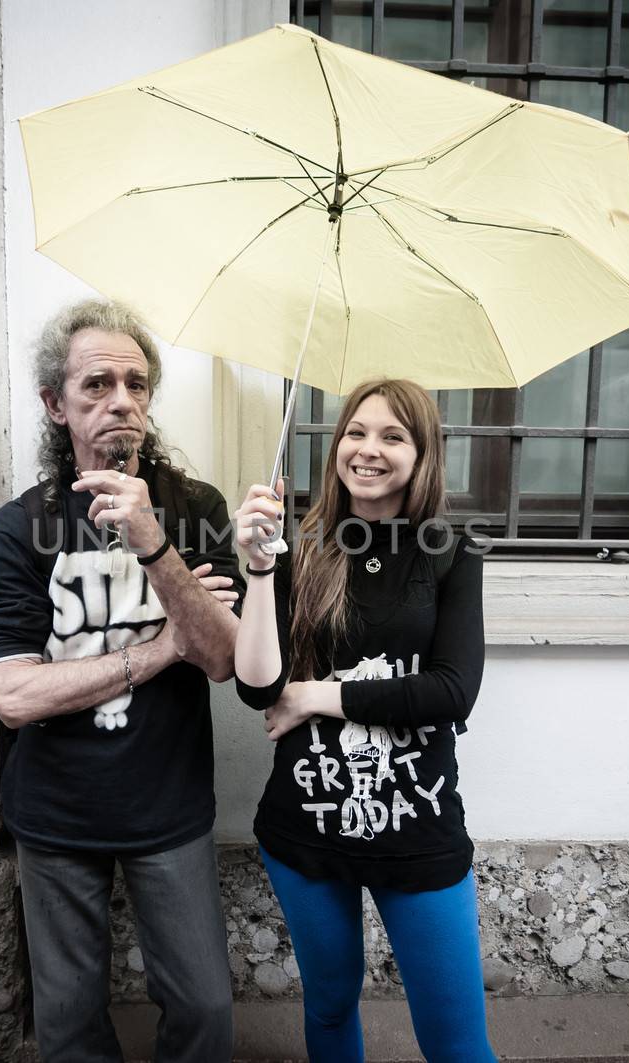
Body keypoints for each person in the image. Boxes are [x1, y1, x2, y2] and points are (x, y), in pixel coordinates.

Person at [0, 299, 241, 1063]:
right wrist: (158, 652)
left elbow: (222, 658)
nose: (122, 400)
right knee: (68, 1024)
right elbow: (15, 696)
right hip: (55, 813)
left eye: (137, 383)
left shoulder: (194, 509)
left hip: (170, 805)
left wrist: (155, 542)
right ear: (57, 405)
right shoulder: (23, 526)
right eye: (97, 385)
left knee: (205, 1010)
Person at [232, 377, 495, 1063]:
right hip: (306, 826)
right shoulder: (304, 547)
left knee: (458, 1042)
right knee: (327, 1006)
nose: (367, 449)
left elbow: (453, 691)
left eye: (392, 435)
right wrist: (260, 568)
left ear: (422, 453)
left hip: (418, 828)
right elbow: (259, 687)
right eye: (356, 430)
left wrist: (317, 695)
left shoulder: (449, 553)